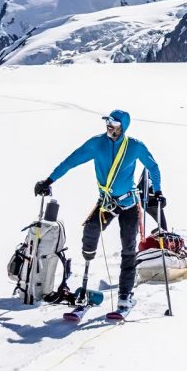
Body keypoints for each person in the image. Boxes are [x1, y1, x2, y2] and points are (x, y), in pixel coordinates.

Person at [34, 109, 166, 310]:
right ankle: (85, 284)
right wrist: (49, 179)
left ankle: (125, 294)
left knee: (128, 247)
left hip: (129, 204)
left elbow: (153, 167)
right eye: (108, 122)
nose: (109, 126)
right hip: (106, 203)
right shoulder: (97, 143)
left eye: (114, 123)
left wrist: (158, 192)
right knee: (91, 230)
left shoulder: (135, 146)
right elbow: (71, 161)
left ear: (123, 127)